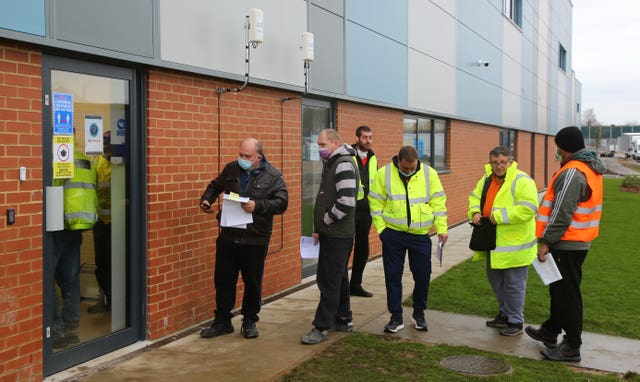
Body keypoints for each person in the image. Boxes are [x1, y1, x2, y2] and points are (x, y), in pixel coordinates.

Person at [526, 126, 605, 362]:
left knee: (567, 295)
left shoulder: (572, 172)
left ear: (564, 148)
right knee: (560, 292)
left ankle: (572, 346)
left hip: (566, 243)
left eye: (558, 147)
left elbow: (561, 212)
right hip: (577, 241)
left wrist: (546, 242)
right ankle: (550, 332)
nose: (556, 151)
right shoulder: (589, 167)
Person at [199, 138, 288, 339]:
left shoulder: (273, 176)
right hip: (229, 236)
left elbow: (281, 203)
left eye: (247, 156)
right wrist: (206, 199)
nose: (242, 159)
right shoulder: (231, 169)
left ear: (258, 157)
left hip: (255, 239)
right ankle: (222, 321)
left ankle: (249, 320)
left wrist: (258, 206)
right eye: (240, 155)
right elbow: (215, 186)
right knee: (223, 280)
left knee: (252, 282)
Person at [369, 146, 448, 333]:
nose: (409, 171)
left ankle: (419, 313)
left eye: (412, 167)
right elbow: (375, 202)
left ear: (417, 161)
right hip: (393, 235)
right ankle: (395, 316)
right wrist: (382, 230)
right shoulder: (384, 174)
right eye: (405, 168)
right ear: (398, 161)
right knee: (393, 276)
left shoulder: (430, 174)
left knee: (422, 276)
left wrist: (442, 229)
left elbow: (438, 203)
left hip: (420, 235)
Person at [468, 146, 538, 336]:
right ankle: (505, 315)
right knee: (496, 281)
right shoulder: (486, 179)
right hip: (493, 241)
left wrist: (499, 215)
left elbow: (529, 208)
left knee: (514, 285)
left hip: (516, 245)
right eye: (495, 162)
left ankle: (515, 321)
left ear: (510, 162)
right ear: (490, 163)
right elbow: (474, 197)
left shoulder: (522, 180)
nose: (498, 166)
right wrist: (474, 212)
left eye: (502, 162)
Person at [301, 129, 359, 345]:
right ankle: (343, 319)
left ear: (335, 143)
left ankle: (321, 326)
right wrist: (319, 228)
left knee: (328, 281)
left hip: (338, 234)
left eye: (323, 144)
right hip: (332, 233)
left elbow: (346, 201)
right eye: (318, 144)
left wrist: (325, 221)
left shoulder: (342, 163)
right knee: (339, 277)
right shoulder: (333, 162)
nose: (319, 148)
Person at [52, 147, 99, 348]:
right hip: (77, 226)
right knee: (70, 278)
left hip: (57, 225)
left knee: (47, 279)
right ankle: (71, 327)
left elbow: (51, 189)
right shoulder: (84, 160)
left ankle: (56, 329)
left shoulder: (56, 158)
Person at [350, 125, 377, 298]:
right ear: (358, 138)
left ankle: (356, 285)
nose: (368, 141)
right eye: (365, 137)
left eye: (370, 137)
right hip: (350, 209)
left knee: (362, 249)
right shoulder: (349, 156)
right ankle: (340, 285)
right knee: (345, 247)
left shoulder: (373, 158)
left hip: (367, 210)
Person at [89, 131, 112, 314]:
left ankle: (117, 302)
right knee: (101, 265)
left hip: (118, 223)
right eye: (104, 145)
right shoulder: (98, 162)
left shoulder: (122, 164)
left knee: (117, 264)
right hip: (101, 222)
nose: (106, 149)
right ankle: (104, 299)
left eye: (109, 146)